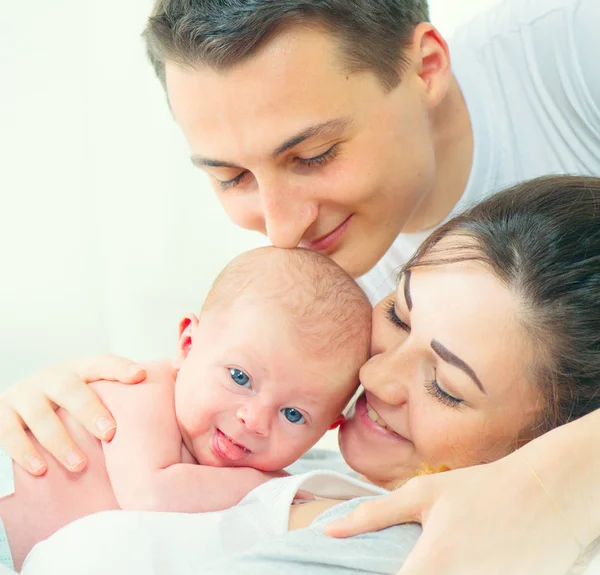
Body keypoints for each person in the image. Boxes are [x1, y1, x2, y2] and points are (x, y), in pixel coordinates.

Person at [1, 0, 599, 571]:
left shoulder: (573, 50)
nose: (281, 228)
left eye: (314, 155)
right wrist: (77, 420)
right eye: (232, 177)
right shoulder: (318, 281)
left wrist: (552, 482)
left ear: (426, 67)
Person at [14, 175, 600, 575]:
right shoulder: (297, 454)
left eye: (445, 386)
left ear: (553, 445)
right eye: (397, 313)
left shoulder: (411, 547)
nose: (375, 373)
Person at [0, 247, 371, 570]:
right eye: (240, 377)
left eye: (293, 415)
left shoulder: (216, 470)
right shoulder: (141, 391)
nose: (254, 420)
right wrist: (274, 484)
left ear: (328, 428)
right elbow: (150, 496)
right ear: (188, 345)